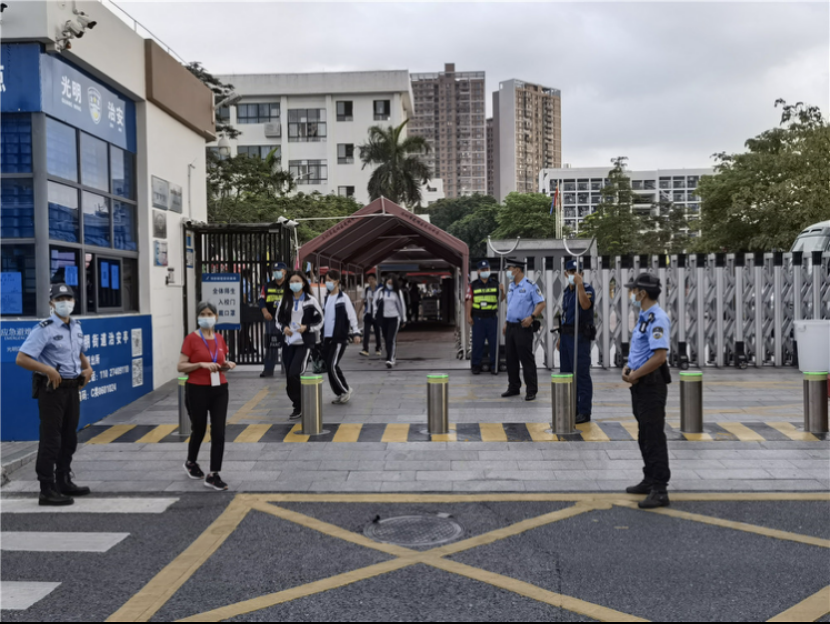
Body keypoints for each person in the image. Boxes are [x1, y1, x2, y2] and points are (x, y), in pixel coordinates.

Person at [16, 283, 93, 506]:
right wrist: (47, 369)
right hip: (52, 391)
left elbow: (78, 352)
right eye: (60, 299)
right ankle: (46, 488)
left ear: (74, 302)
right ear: (51, 303)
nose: (65, 303)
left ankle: (63, 480)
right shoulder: (44, 328)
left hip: (72, 389)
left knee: (69, 437)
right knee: (52, 439)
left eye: (68, 298)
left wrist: (87, 368)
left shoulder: (76, 326)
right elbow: (22, 358)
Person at [622, 273, 673, 509]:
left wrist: (634, 374)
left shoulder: (658, 318)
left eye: (634, 290)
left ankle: (660, 489)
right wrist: (629, 367)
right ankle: (649, 478)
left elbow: (659, 357)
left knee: (653, 436)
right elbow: (641, 350)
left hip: (651, 385)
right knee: (644, 434)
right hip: (641, 383)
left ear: (642, 293)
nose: (631, 294)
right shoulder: (645, 315)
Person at [178, 302, 237, 491]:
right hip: (196, 388)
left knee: (218, 431)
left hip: (219, 388)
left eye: (210, 313)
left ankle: (214, 474)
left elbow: (219, 362)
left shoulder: (219, 338)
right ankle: (191, 462)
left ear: (216, 317)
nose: (206, 316)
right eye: (202, 313)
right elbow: (181, 366)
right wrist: (200, 365)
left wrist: (226, 364)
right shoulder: (191, 339)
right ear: (197, 317)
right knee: (199, 429)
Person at [277, 271, 324, 420]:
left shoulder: (311, 300)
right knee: (289, 377)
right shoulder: (285, 300)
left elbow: (320, 320)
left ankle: (300, 404)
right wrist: (284, 328)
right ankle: (297, 404)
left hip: (304, 343)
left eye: (297, 281)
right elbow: (278, 320)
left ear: (303, 283)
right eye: (291, 282)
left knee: (294, 372)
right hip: (289, 342)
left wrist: (307, 327)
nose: (294, 284)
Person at [502, 259, 545, 401]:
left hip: (523, 327)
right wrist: (506, 323)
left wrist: (531, 317)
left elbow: (541, 303)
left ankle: (531, 389)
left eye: (509, 268)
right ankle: (514, 387)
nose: (508, 271)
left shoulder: (530, 285)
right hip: (511, 327)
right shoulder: (511, 286)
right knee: (510, 358)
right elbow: (511, 306)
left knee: (526, 359)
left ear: (518, 270)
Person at [558, 260, 596, 424]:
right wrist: (561, 337)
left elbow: (585, 305)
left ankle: (584, 411)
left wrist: (580, 285)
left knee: (581, 374)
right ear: (566, 274)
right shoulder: (567, 291)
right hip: (567, 336)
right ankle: (571, 407)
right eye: (571, 271)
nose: (574, 274)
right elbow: (565, 315)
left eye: (577, 271)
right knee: (566, 374)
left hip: (580, 337)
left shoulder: (587, 289)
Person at [323, 270, 361, 404]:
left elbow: (351, 316)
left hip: (339, 337)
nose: (327, 283)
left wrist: (356, 332)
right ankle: (340, 391)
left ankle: (345, 390)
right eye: (326, 280)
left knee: (332, 365)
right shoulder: (327, 298)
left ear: (337, 281)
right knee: (330, 366)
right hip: (327, 337)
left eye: (330, 280)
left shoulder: (343, 297)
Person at [466, 260, 505, 375]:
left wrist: (502, 291)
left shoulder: (495, 284)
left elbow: (501, 299)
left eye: (487, 269)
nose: (485, 272)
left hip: (492, 318)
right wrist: (468, 316)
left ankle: (494, 366)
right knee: (478, 344)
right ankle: (476, 366)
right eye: (483, 270)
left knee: (494, 344)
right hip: (478, 318)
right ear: (478, 271)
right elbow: (469, 301)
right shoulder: (473, 285)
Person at [258, 261, 288, 378]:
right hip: (271, 320)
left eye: (279, 271)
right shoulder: (267, 286)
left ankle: (287, 369)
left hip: (286, 320)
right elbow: (261, 300)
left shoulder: (290, 286)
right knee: (272, 344)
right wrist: (265, 312)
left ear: (284, 272)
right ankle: (268, 370)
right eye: (274, 271)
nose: (276, 273)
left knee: (287, 344)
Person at [374, 275, 407, 368]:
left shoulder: (397, 292)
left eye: (392, 283)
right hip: (383, 318)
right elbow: (375, 304)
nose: (390, 285)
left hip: (394, 318)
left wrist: (403, 318)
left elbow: (401, 305)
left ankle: (390, 359)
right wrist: (375, 315)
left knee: (390, 339)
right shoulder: (380, 292)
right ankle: (390, 355)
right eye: (388, 283)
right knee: (385, 338)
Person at [359, 274, 382, 357]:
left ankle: (378, 348)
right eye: (369, 279)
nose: (370, 281)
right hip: (368, 313)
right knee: (366, 332)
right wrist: (359, 313)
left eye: (372, 279)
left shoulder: (379, 290)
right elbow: (362, 301)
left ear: (375, 280)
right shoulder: (365, 290)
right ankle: (365, 349)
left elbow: (382, 301)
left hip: (376, 314)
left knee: (377, 332)